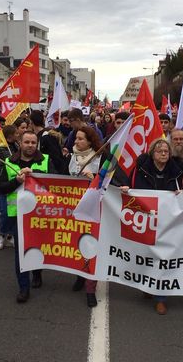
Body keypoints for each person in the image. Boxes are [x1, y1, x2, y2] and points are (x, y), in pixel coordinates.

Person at [121, 138, 183, 315]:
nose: (164, 154)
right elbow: (130, 184)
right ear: (152, 153)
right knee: (146, 254)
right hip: (146, 220)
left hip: (168, 222)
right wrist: (127, 189)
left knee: (164, 257)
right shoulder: (140, 168)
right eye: (160, 151)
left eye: (166, 151)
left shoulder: (178, 171)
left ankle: (161, 297)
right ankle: (147, 282)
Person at [0, 131, 56, 303]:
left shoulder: (45, 160)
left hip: (40, 214)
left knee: (39, 247)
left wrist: (36, 175)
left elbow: (56, 183)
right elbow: (1, 188)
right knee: (20, 253)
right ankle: (23, 287)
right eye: (27, 142)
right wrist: (16, 180)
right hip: (18, 216)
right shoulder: (9, 162)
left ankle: (37, 273)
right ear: (20, 143)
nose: (30, 145)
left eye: (33, 142)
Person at [68, 126, 103, 307]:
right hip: (75, 209)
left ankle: (90, 288)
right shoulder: (72, 157)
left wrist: (95, 177)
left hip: (93, 210)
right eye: (76, 139)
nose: (76, 142)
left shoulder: (99, 158)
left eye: (80, 139)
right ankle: (79, 276)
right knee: (76, 244)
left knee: (91, 246)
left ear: (90, 141)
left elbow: (108, 181)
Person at [0, 125, 19, 250]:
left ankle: (10, 236)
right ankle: (2, 235)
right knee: (5, 213)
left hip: (17, 186)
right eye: (16, 133)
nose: (18, 135)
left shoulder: (17, 147)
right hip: (5, 187)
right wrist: (11, 170)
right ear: (9, 136)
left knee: (15, 213)